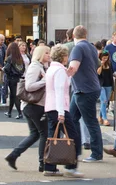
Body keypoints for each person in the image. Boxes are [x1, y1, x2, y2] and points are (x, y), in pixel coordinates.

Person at [5, 45, 50, 173]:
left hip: (32, 105)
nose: (49, 55)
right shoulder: (35, 67)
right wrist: (45, 81)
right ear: (40, 54)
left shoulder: (41, 66)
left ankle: (13, 155)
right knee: (43, 134)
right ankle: (43, 163)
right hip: (34, 105)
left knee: (35, 134)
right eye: (47, 53)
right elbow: (29, 86)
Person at [44, 45, 83, 178]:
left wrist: (69, 75)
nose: (68, 57)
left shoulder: (52, 69)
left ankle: (49, 166)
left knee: (52, 137)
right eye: (66, 55)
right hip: (59, 108)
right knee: (73, 137)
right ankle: (71, 166)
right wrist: (61, 112)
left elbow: (58, 87)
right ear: (63, 57)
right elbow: (60, 91)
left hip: (50, 107)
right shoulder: (60, 71)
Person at [67, 25, 103, 163]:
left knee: (90, 122)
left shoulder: (78, 48)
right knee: (72, 118)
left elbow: (73, 67)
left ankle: (96, 153)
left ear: (73, 36)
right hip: (87, 88)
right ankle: (75, 149)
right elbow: (97, 64)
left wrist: (59, 73)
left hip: (84, 90)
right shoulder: (91, 47)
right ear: (85, 34)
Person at [4, 42, 26, 119]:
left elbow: (6, 68)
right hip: (18, 78)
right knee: (12, 95)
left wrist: (6, 71)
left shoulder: (10, 58)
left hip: (11, 78)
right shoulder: (20, 58)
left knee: (15, 96)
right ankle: (9, 112)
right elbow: (23, 69)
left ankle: (20, 113)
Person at [97, 51, 114, 126]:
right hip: (101, 85)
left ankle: (100, 117)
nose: (105, 59)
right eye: (104, 58)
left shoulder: (109, 64)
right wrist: (101, 64)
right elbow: (98, 73)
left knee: (105, 102)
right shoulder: (98, 63)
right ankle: (105, 119)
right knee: (103, 101)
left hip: (109, 85)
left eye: (106, 58)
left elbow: (112, 73)